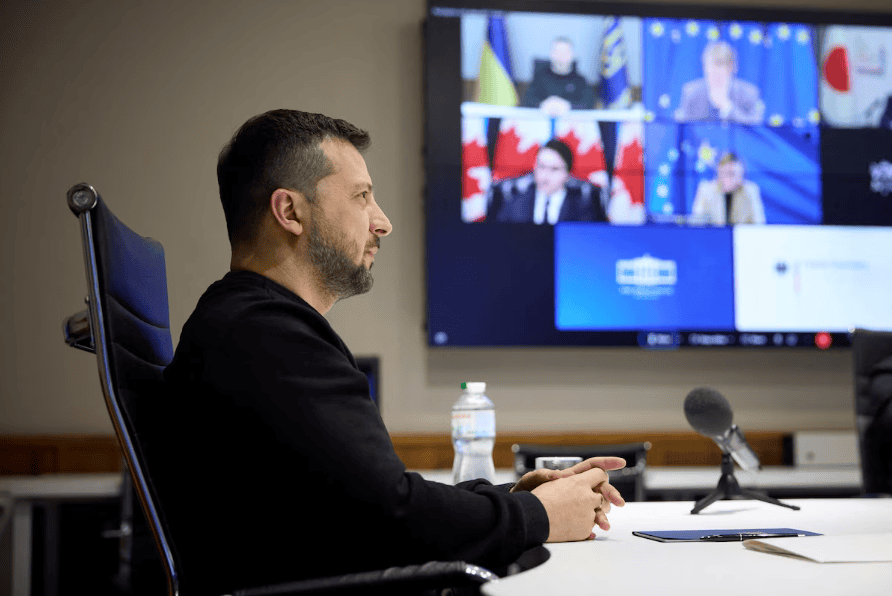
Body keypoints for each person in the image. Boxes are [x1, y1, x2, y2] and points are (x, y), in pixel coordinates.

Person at [157, 109, 626, 594]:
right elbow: (391, 518)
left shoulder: (249, 326)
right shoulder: (263, 336)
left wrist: (509, 495)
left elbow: (366, 505)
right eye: (362, 197)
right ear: (290, 212)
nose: (383, 223)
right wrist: (537, 515)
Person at [489, 139, 607, 224]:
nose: (545, 175)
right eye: (541, 167)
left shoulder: (585, 210)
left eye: (554, 169)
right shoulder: (513, 204)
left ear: (567, 174)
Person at [676, 41, 764, 124]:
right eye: (709, 65)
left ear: (731, 67)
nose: (713, 71)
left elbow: (756, 126)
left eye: (719, 64)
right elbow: (682, 126)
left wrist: (728, 108)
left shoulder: (749, 92)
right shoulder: (691, 92)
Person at [522, 37, 596, 116]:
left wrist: (568, 106)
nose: (561, 56)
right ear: (551, 54)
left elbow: (589, 104)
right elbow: (527, 100)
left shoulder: (580, 81)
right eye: (557, 52)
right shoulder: (539, 77)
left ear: (572, 55)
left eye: (565, 52)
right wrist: (543, 104)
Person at [690, 152, 765, 225]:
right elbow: (697, 223)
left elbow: (758, 223)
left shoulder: (750, 190)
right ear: (719, 172)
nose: (734, 179)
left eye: (739, 175)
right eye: (730, 174)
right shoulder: (706, 190)